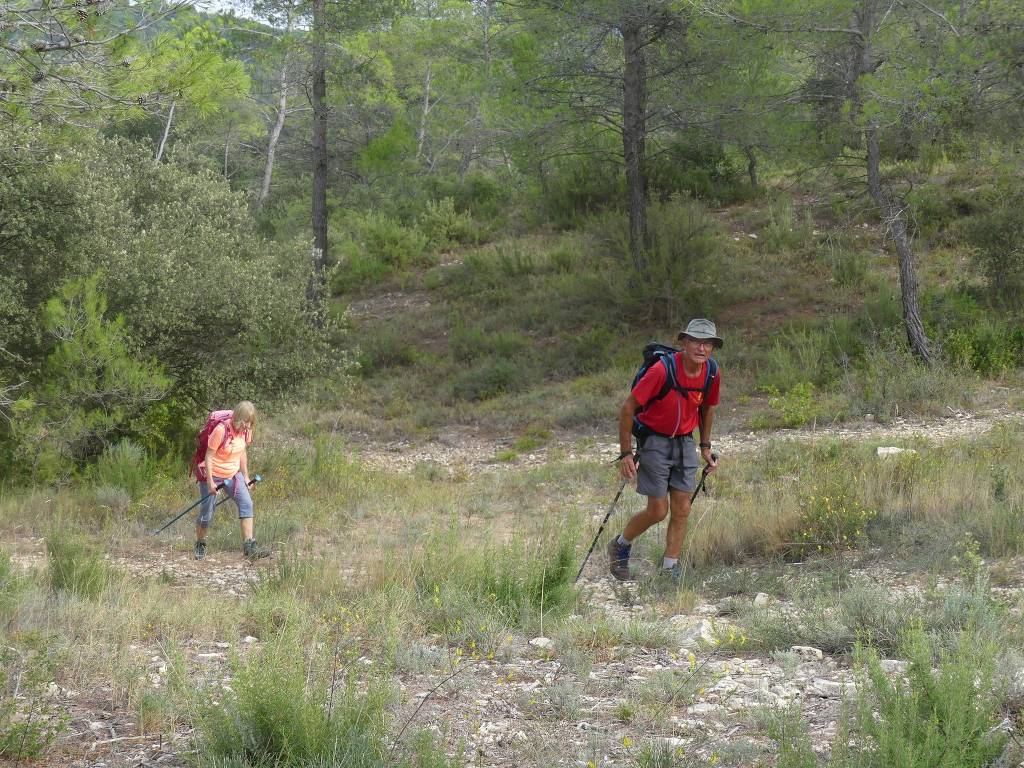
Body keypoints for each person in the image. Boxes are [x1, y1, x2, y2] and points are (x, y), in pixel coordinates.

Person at [607, 318, 722, 582]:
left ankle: (670, 569)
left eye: (707, 343)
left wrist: (705, 446)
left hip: (684, 442)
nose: (701, 348)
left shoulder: (712, 372)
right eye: (695, 341)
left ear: (713, 347)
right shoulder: (662, 370)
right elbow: (627, 409)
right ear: (684, 342)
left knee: (682, 509)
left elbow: (708, 408)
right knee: (658, 511)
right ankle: (621, 544)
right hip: (655, 442)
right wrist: (626, 453)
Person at [194, 401, 270, 561]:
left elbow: (242, 453)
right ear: (237, 418)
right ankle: (200, 543)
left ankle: (249, 547)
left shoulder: (245, 432)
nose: (247, 427)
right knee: (207, 511)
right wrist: (210, 482)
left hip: (232, 473)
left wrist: (246, 477)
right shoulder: (221, 430)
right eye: (245, 422)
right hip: (212, 473)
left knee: (246, 503)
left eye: (250, 423)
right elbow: (208, 456)